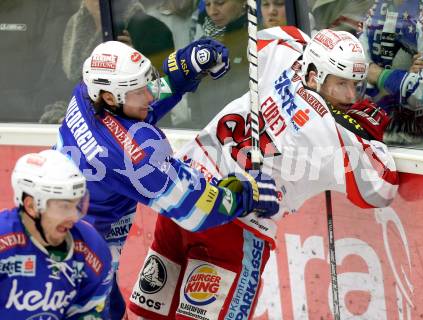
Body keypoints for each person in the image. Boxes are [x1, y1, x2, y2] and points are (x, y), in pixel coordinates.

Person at [129, 27, 398, 319]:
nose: (349, 96)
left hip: (184, 199)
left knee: (150, 314)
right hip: (234, 225)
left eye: (355, 85)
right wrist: (368, 139)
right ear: (313, 76)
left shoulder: (285, 54)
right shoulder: (332, 131)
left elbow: (272, 36)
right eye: (340, 84)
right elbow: (380, 189)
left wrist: (310, 58)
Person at [55, 39, 279, 319]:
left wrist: (182, 73)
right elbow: (194, 209)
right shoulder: (132, 155)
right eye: (140, 90)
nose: (149, 96)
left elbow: (135, 111)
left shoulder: (86, 95)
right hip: (78, 264)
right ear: (111, 97)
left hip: (67, 240)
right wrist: (245, 195)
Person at [0, 149, 113, 319]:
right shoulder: (4, 241)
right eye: (64, 206)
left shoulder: (92, 250)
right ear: (31, 206)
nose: (74, 217)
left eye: (77, 205)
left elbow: (89, 314)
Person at [359, 0, 423, 144]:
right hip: (370, 130)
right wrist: (404, 78)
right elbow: (356, 65)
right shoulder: (376, 6)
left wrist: (378, 75)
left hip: (416, 140)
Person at [186, 0, 249, 128]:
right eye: (208, 5)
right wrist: (199, 130)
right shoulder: (201, 43)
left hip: (246, 132)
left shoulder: (254, 37)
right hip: (209, 131)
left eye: (220, 3)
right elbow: (194, 94)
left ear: (242, 2)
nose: (213, 12)